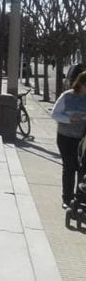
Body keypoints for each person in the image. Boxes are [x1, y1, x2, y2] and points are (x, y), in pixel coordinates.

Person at [51, 71, 86, 209]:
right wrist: (69, 119)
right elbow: (54, 114)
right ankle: (67, 198)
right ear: (81, 84)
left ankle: (79, 199)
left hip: (82, 139)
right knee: (70, 167)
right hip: (65, 137)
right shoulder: (67, 96)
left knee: (82, 170)